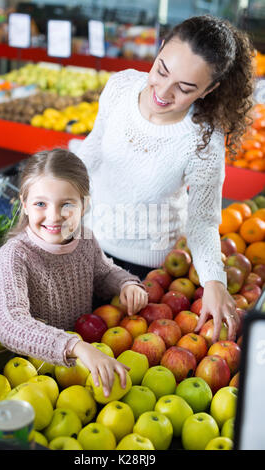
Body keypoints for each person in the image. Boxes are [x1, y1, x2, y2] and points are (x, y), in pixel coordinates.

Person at [70, 15, 255, 343]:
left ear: (209, 89)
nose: (163, 92)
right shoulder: (122, 86)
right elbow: (93, 151)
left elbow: (202, 222)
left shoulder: (203, 139)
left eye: (185, 88)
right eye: (161, 70)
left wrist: (214, 281)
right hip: (88, 247)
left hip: (147, 273)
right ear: (159, 50)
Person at [0, 148, 148, 397]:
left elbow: (103, 272)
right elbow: (11, 324)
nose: (54, 216)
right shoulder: (15, 255)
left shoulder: (85, 239)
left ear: (84, 205)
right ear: (24, 205)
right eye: (40, 203)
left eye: (66, 204)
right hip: (35, 375)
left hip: (87, 364)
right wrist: (75, 346)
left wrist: (126, 284)